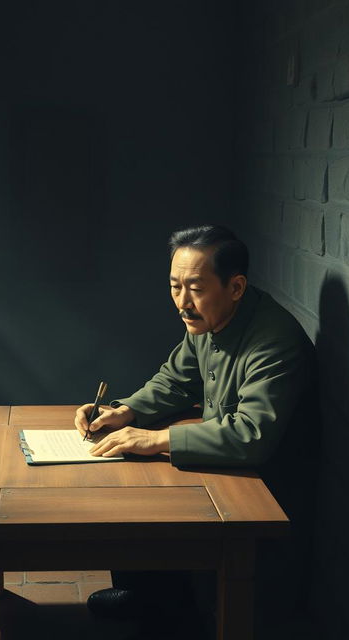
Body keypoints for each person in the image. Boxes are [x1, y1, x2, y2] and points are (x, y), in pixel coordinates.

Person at [74, 225, 318, 639]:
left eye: (195, 289)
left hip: (261, 491)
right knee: (127, 475)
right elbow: (176, 379)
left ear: (236, 286)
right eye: (174, 287)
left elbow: (251, 433)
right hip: (223, 468)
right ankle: (147, 595)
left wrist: (155, 439)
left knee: (144, 465)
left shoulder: (275, 341)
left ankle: (170, 611)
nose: (182, 303)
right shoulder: (210, 320)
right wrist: (125, 412)